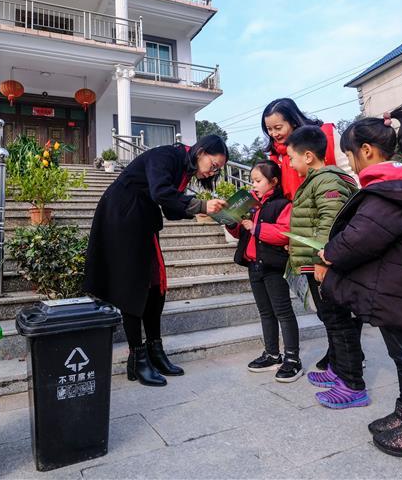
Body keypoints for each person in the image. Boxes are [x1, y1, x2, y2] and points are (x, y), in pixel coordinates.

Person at [317, 105, 402, 461]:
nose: (350, 163)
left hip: (400, 291)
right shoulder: (395, 188)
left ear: (367, 151)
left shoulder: (387, 193)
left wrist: (329, 256)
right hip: (398, 288)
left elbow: (357, 240)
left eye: (349, 154)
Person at [84, 135, 229, 387]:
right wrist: (203, 206)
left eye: (218, 170)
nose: (212, 172)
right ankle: (138, 358)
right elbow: (161, 192)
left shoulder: (183, 168)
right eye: (213, 165)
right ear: (201, 152)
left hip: (143, 220)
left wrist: (209, 211)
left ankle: (155, 351)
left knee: (155, 285)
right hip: (123, 216)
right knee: (132, 287)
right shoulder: (166, 156)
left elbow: (172, 208)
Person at [282, 125, 363, 408]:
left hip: (325, 265)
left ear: (307, 156)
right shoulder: (315, 180)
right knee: (331, 320)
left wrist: (320, 260)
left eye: (291, 158)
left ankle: (353, 384)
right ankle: (338, 371)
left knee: (340, 323)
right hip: (315, 264)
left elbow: (331, 223)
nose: (290, 165)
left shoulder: (326, 180)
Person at [226, 160, 301, 382]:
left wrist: (255, 227)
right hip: (254, 265)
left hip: (273, 266)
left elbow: (285, 233)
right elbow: (241, 234)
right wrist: (232, 222)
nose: (254, 185)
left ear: (274, 181)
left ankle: (292, 358)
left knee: (283, 312)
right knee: (265, 312)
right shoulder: (250, 204)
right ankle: (271, 353)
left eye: (258, 181)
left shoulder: (282, 204)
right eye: (252, 181)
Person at [262, 98, 350, 201]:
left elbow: (348, 172)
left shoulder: (326, 135)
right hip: (299, 212)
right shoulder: (276, 156)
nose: (274, 134)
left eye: (278, 127)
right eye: (269, 129)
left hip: (334, 202)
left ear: (293, 122)